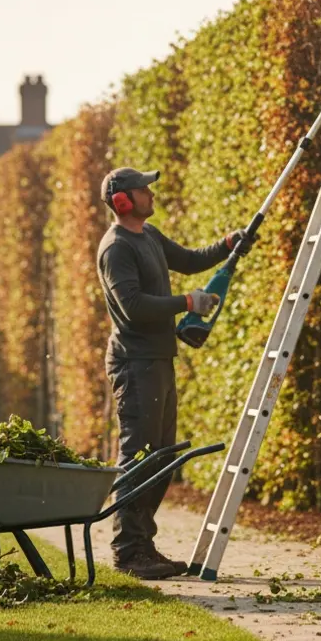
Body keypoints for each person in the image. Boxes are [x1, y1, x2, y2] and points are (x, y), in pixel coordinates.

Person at [95, 167, 253, 579]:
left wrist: (228, 244)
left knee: (162, 457)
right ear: (123, 200)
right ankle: (128, 552)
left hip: (159, 361)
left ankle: (144, 545)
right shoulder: (116, 248)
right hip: (135, 363)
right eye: (143, 189)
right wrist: (187, 302)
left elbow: (188, 260)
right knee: (140, 457)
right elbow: (133, 305)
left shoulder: (149, 237)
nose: (151, 193)